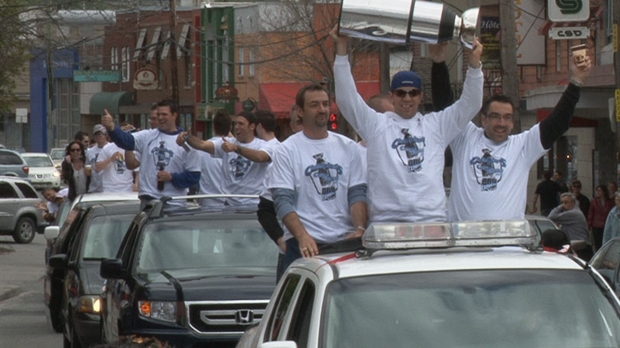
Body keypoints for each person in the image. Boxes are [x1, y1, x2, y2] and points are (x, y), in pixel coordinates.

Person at [331, 27, 484, 222]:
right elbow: (347, 100)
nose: (407, 98)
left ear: (421, 96)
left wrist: (474, 64)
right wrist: (342, 51)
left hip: (431, 220)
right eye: (401, 92)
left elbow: (471, 104)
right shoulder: (376, 125)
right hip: (387, 221)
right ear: (392, 96)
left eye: (413, 92)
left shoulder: (436, 125)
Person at [430, 44, 592, 221]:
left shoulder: (522, 147)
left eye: (507, 117)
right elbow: (445, 105)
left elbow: (557, 123)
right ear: (483, 119)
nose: (502, 123)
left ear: (513, 122)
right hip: (465, 242)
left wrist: (576, 81)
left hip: (509, 244)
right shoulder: (465, 137)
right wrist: (438, 63)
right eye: (495, 117)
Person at [269, 83, 368, 270]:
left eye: (325, 104)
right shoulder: (286, 150)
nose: (322, 109)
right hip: (304, 245)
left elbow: (357, 193)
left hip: (345, 243)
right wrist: (302, 236)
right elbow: (282, 201)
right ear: (300, 111)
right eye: (314, 105)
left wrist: (360, 229)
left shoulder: (349, 147)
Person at [101, 99, 200, 208]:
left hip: (175, 203)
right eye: (158, 114)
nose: (160, 118)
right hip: (149, 201)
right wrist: (112, 127)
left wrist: (172, 177)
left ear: (174, 115)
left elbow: (194, 177)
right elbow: (126, 141)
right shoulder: (148, 136)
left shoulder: (185, 142)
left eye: (164, 114)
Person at [180, 111, 269, 206]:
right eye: (236, 123)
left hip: (253, 203)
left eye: (241, 124)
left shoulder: (262, 145)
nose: (237, 127)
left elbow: (260, 157)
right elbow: (202, 145)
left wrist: (236, 148)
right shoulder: (226, 142)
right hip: (230, 204)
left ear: (252, 126)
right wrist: (187, 137)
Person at [196, 109, 232, 209]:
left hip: (209, 201)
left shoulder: (202, 150)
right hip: (232, 201)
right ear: (230, 128)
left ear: (213, 127)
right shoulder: (236, 148)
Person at [548, 193, 593, 261]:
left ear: (573, 203)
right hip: (575, 246)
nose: (563, 204)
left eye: (566, 202)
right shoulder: (570, 213)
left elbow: (551, 216)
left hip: (581, 247)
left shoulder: (574, 213)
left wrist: (560, 206)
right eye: (562, 202)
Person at [588, 184, 615, 250]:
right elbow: (591, 212)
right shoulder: (594, 201)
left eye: (600, 191)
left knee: (606, 241)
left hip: (605, 224)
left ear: (604, 192)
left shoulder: (610, 202)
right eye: (597, 191)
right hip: (596, 225)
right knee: (597, 243)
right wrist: (589, 224)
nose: (598, 192)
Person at [86, 124, 108, 193]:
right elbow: (87, 167)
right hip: (94, 188)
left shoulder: (111, 148)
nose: (98, 136)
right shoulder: (90, 152)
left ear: (105, 135)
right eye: (96, 135)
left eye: (100, 134)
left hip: (108, 188)